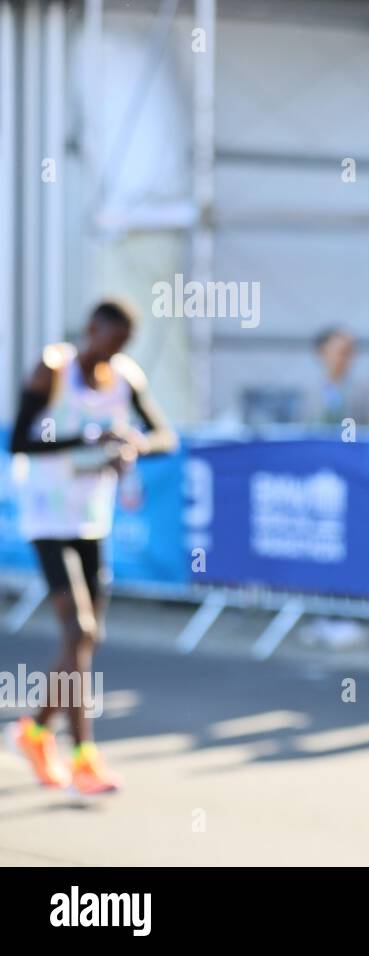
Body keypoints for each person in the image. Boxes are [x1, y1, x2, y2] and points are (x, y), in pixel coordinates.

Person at [5, 299, 177, 795]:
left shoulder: (126, 377)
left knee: (87, 637)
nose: (113, 351)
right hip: (47, 513)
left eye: (123, 345)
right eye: (109, 339)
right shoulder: (52, 370)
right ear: (91, 329)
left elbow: (165, 434)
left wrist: (133, 444)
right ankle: (83, 754)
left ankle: (36, 731)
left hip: (91, 517)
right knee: (77, 629)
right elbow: (18, 440)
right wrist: (89, 436)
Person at [302, 327, 369, 427]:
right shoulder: (311, 391)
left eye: (350, 353)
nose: (347, 358)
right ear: (322, 352)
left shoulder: (364, 391)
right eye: (342, 352)